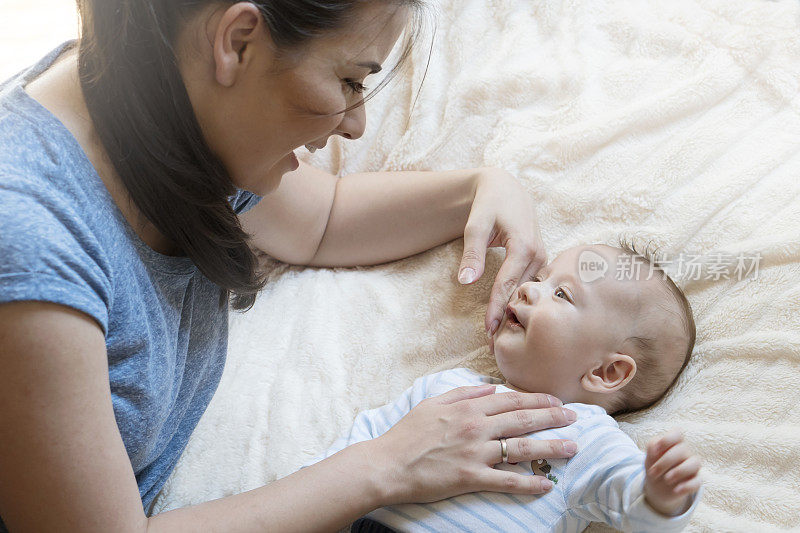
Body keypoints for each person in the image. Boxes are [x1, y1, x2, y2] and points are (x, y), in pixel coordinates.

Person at [0, 1, 582, 531]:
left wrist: (483, 187)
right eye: (350, 80)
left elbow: (321, 219)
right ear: (239, 40)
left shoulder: (165, 93)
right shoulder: (32, 244)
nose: (355, 123)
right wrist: (387, 464)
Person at [305, 243, 703, 532]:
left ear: (607, 372)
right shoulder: (451, 384)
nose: (528, 288)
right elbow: (369, 442)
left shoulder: (588, 437)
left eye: (561, 294)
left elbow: (633, 510)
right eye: (542, 279)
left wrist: (662, 495)